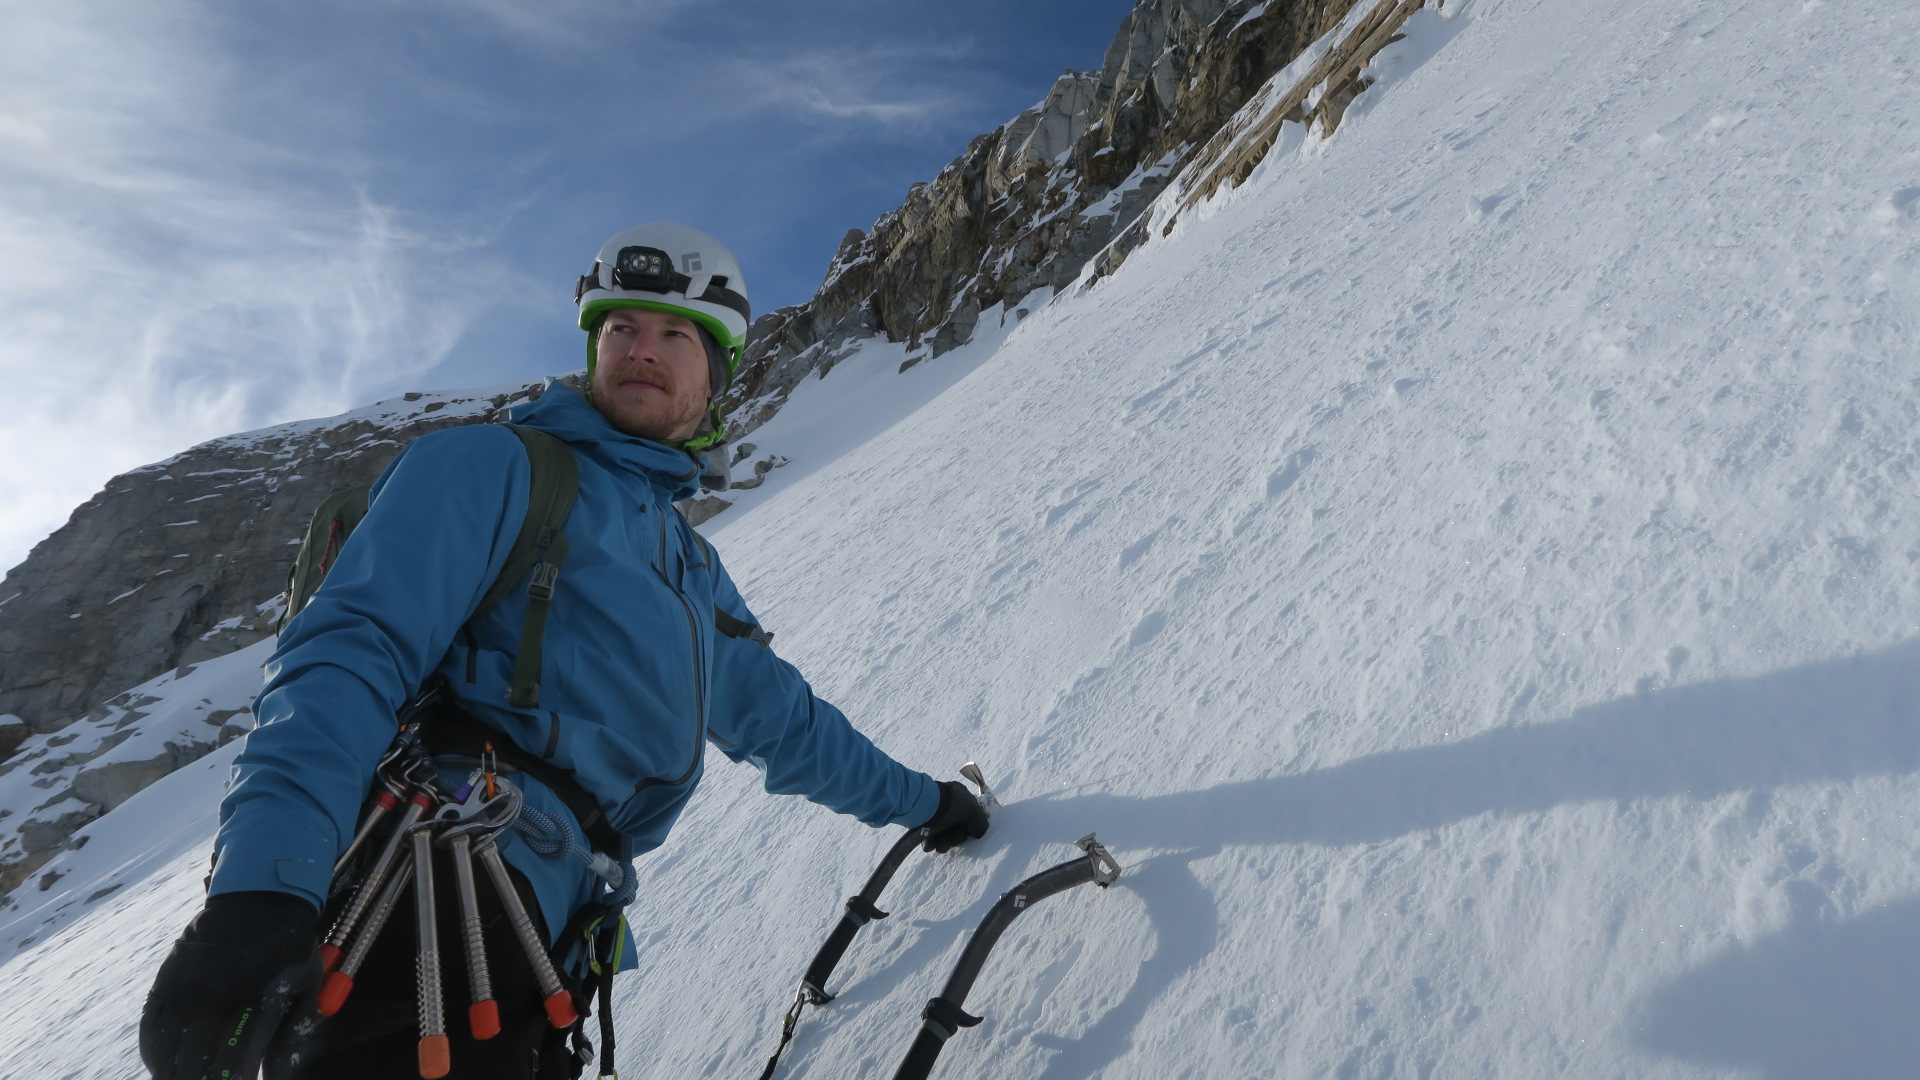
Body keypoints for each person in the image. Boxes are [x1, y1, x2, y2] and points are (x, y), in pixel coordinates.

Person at [139, 223, 990, 1080]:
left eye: (675, 334)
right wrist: (262, 889)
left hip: (550, 935)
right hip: (427, 901)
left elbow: (787, 725)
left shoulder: (689, 569)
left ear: (718, 374)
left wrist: (929, 803)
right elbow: (348, 652)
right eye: (621, 327)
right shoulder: (494, 466)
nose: (640, 349)